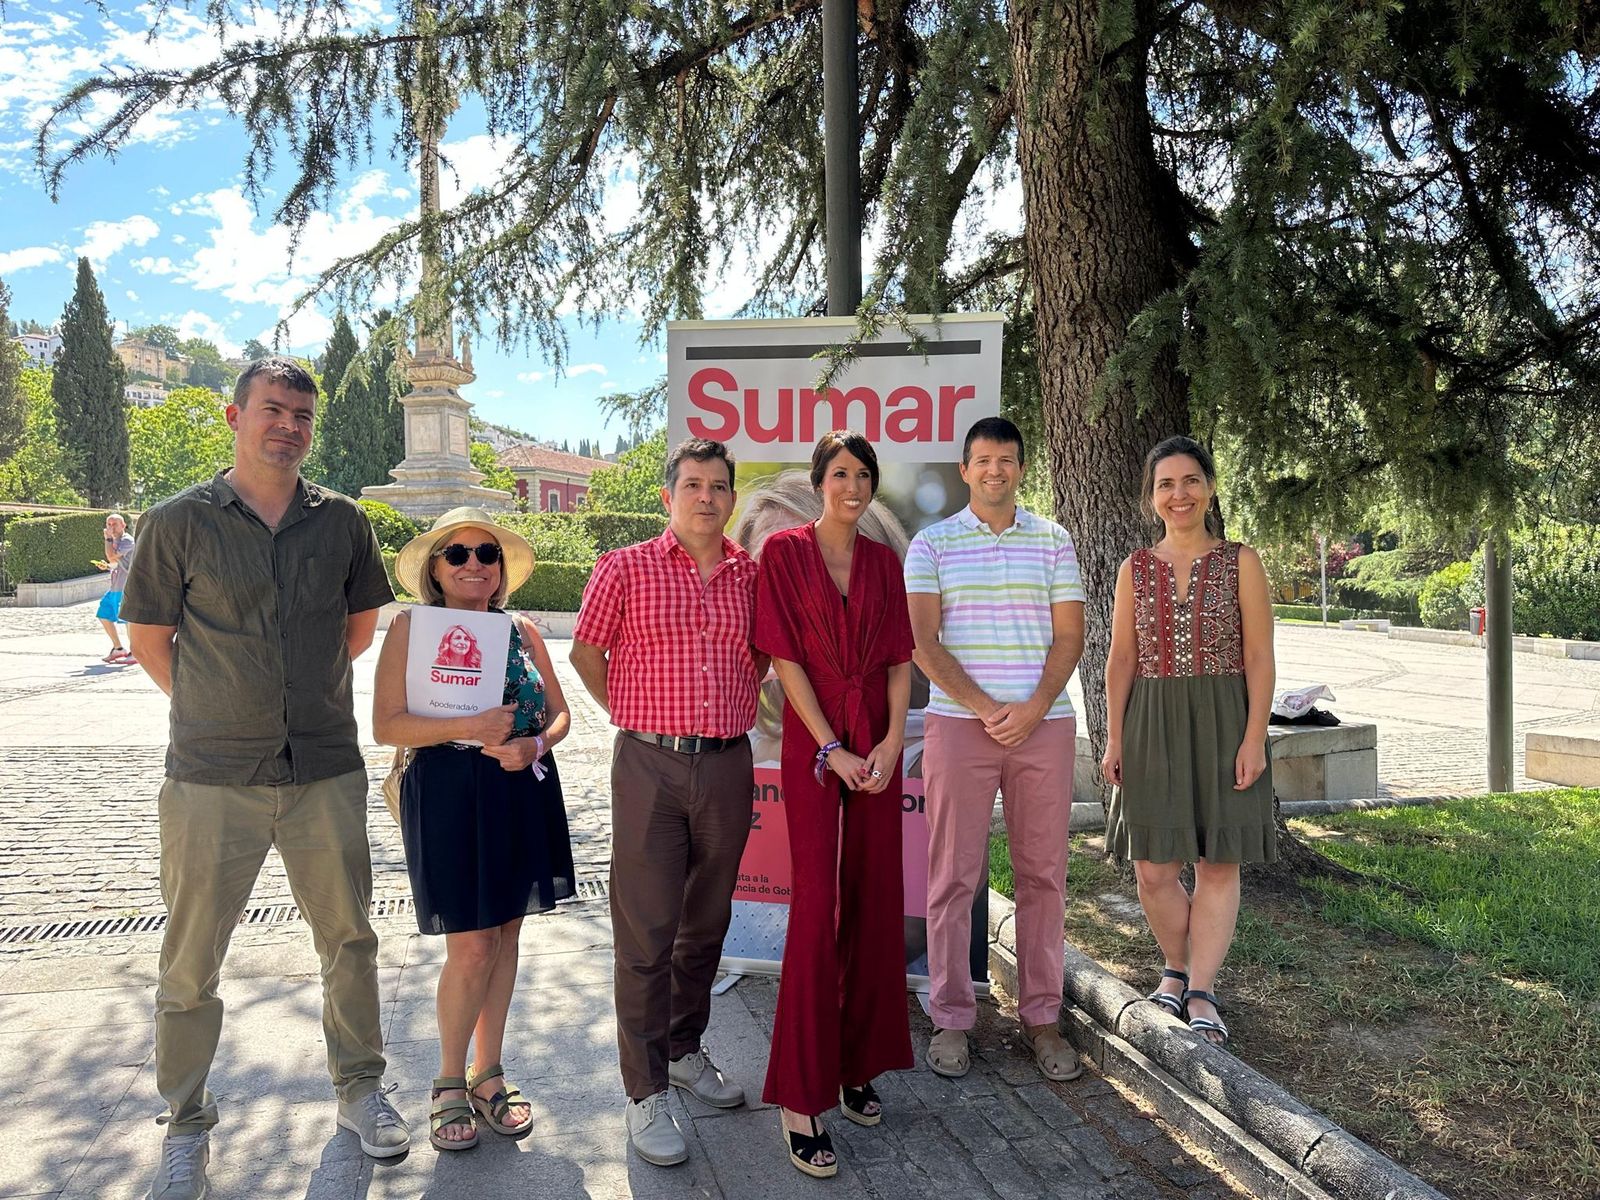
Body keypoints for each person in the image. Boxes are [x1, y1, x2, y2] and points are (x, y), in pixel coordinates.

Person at [122, 357, 407, 1200]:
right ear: (233, 415)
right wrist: (221, 703)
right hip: (211, 775)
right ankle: (184, 1123)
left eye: (302, 416)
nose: (288, 425)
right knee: (189, 960)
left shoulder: (344, 523)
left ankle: (359, 1090)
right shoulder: (176, 522)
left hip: (323, 765)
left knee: (350, 942)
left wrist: (293, 697)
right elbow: (150, 639)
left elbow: (359, 629)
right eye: (273, 410)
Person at [570, 437, 763, 1168]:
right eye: (692, 484)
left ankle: (684, 1050)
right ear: (667, 496)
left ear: (731, 498)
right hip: (648, 764)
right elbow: (586, 651)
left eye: (718, 486)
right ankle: (644, 1090)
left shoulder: (751, 575)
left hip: (726, 764)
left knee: (705, 925)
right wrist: (634, 713)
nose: (706, 497)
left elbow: (766, 657)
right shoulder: (626, 567)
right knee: (646, 934)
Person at [374, 507, 575, 1150]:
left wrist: (534, 745)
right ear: (435, 567)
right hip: (448, 792)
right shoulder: (410, 628)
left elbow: (562, 714)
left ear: (500, 568)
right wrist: (466, 727)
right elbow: (387, 726)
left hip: (519, 786)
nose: (473, 565)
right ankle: (447, 1083)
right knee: (472, 946)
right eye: (456, 553)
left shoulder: (523, 631)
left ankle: (490, 1073)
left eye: (486, 554)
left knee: (507, 934)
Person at [906, 416, 1086, 1082]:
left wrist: (1033, 707)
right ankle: (952, 1018)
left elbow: (1069, 636)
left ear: (1020, 467)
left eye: (1006, 460)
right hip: (959, 724)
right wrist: (986, 708)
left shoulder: (1054, 540)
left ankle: (1042, 1019)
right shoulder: (932, 544)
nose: (995, 471)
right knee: (953, 875)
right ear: (965, 469)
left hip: (1045, 725)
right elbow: (924, 641)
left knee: (1044, 877)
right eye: (983, 460)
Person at [756, 430, 915, 1179]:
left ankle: (856, 1066)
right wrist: (831, 748)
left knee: (873, 900)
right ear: (820, 480)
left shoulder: (885, 560)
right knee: (817, 909)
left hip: (876, 745)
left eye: (864, 475)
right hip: (814, 749)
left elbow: (897, 661)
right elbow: (785, 659)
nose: (853, 486)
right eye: (841, 473)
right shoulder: (784, 553)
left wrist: (885, 746)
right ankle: (800, 1094)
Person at [1102, 435, 1276, 1046]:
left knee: (1217, 863)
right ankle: (1174, 966)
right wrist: (1115, 737)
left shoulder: (1241, 561)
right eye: (1166, 485)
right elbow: (1121, 660)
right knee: (1153, 868)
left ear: (1209, 487)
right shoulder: (1134, 568)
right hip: (1151, 718)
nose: (1180, 494)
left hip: (1226, 717)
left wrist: (1255, 738)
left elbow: (1259, 656)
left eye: (1191, 481)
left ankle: (1198, 989)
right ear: (1152, 497)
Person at [95, 512, 136, 663]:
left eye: (115, 524)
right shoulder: (114, 541)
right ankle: (118, 648)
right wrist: (106, 566)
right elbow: (114, 562)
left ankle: (135, 652)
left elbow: (112, 556)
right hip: (115, 586)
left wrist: (107, 539)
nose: (112, 527)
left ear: (123, 525)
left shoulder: (127, 540)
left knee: (127, 620)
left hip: (125, 586)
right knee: (103, 614)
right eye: (109, 524)